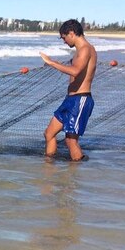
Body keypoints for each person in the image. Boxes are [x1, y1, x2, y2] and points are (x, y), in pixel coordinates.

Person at [39, 19, 97, 161]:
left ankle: (74, 177)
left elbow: (76, 71)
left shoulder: (85, 49)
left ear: (71, 33)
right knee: (49, 134)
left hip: (80, 100)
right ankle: (48, 171)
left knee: (71, 141)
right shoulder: (79, 51)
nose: (64, 41)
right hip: (70, 100)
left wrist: (52, 62)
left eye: (64, 38)